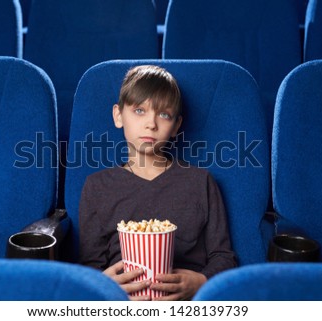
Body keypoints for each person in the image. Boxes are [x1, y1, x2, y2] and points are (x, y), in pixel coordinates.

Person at [78, 65, 237, 300]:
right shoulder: (97, 187)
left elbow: (224, 257)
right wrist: (103, 285)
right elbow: (90, 265)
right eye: (139, 110)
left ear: (176, 126)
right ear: (118, 116)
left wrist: (201, 281)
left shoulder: (200, 182)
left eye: (164, 114)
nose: (151, 124)